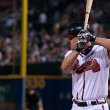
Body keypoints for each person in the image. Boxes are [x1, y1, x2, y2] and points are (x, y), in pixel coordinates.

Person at [61, 22, 110, 110]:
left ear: (80, 38)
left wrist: (92, 38)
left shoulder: (101, 51)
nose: (69, 40)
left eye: (71, 38)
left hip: (97, 106)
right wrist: (78, 49)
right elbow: (64, 67)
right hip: (76, 106)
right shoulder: (71, 54)